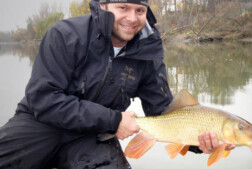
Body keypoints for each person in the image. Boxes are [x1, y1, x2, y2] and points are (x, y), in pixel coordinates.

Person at [0, 0, 234, 168]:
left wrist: (198, 141)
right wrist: (114, 120)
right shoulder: (65, 34)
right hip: (40, 124)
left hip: (95, 136)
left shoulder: (148, 53)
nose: (132, 18)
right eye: (123, 7)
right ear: (103, 6)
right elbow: (44, 100)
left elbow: (165, 112)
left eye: (140, 10)